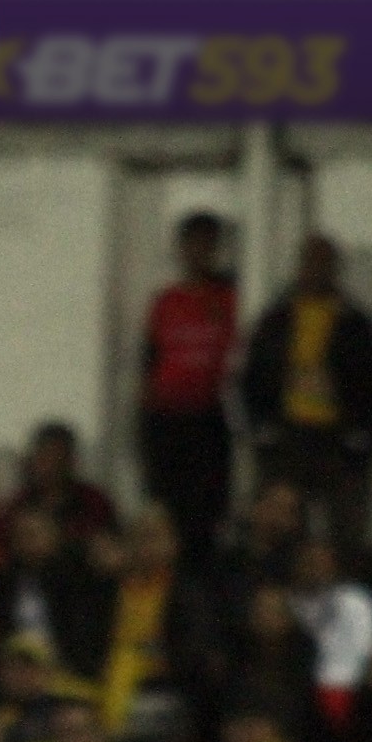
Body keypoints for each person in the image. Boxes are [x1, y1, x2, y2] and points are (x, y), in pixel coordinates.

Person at [240, 234, 372, 563]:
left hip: (338, 441)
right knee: (278, 527)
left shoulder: (355, 323)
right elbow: (251, 377)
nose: (317, 270)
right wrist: (261, 429)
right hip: (287, 437)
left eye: (325, 263)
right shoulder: (277, 319)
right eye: (311, 262)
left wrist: (361, 437)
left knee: (346, 532)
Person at [137, 212, 238, 568]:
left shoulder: (229, 297)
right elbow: (149, 362)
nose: (199, 252)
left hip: (207, 419)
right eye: (192, 244)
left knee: (207, 519)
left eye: (207, 244)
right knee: (165, 515)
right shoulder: (165, 302)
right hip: (166, 421)